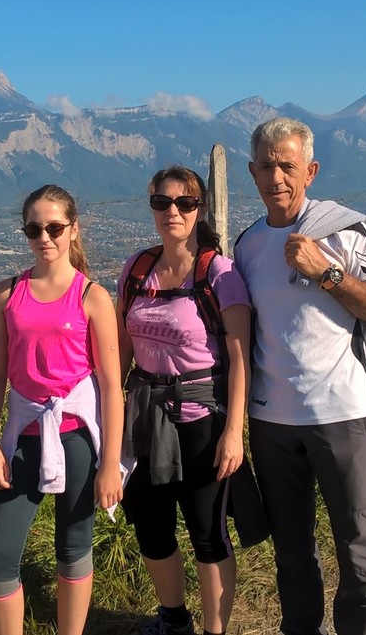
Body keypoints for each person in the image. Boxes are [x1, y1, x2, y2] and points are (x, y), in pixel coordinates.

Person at [234, 117, 366, 635]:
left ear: (310, 171)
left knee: (359, 550)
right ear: (252, 172)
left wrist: (327, 273)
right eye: (266, 166)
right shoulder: (246, 246)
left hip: (342, 415)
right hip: (272, 423)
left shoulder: (346, 232)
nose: (276, 177)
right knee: (292, 552)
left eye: (287, 166)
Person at [0, 184, 125, 635]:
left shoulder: (92, 297)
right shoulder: (7, 295)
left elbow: (111, 386)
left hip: (76, 436)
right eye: (34, 229)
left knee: (74, 547)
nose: (45, 237)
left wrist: (110, 464)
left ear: (73, 229)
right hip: (22, 434)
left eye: (55, 228)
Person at [117, 166, 253, 635]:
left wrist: (233, 433)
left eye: (185, 203)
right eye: (162, 202)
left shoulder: (220, 274)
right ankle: (174, 619)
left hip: (203, 417)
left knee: (207, 532)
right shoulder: (137, 268)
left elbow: (240, 358)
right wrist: (107, 415)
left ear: (201, 208)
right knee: (150, 526)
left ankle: (215, 631)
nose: (172, 211)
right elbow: (122, 347)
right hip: (144, 414)